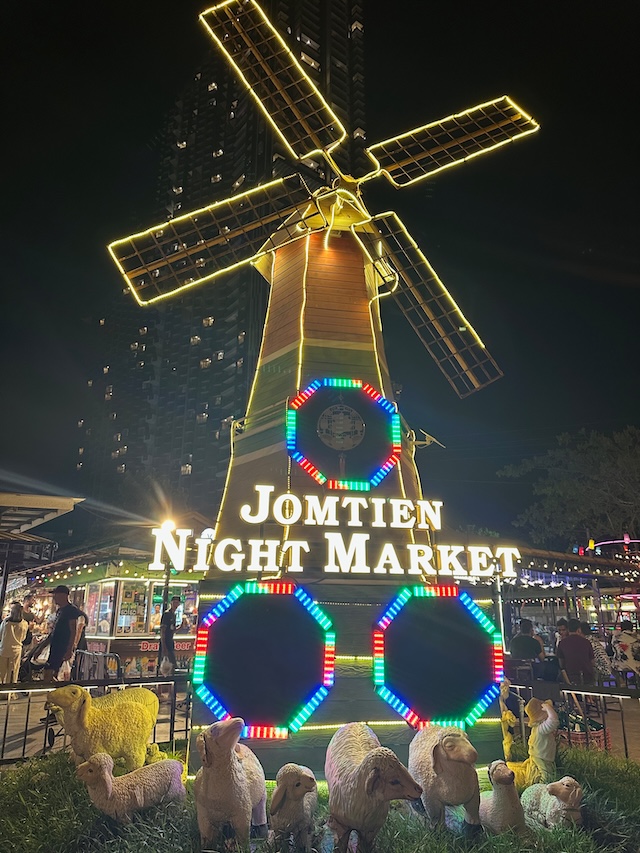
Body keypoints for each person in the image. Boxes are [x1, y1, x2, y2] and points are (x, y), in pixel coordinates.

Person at [43, 585, 83, 682]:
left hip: (62, 648)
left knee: (53, 673)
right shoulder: (60, 610)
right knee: (49, 672)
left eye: (55, 595)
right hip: (55, 647)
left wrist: (69, 649)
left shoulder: (71, 610)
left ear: (63, 595)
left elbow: (73, 630)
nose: (54, 598)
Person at [557, 618, 594, 684]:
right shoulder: (586, 642)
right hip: (587, 677)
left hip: (570, 678)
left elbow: (561, 664)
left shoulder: (562, 643)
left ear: (568, 630)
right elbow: (592, 661)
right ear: (579, 629)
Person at [0, 602, 28, 684]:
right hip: (16, 650)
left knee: (2, 671)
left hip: (4, 649)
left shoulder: (6, 623)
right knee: (13, 672)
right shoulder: (24, 624)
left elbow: (0, 635)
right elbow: (23, 638)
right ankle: (10, 693)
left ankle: (1, 690)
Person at [159, 596, 181, 674]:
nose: (176, 604)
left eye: (177, 603)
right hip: (166, 642)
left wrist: (180, 627)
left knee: (170, 664)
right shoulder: (166, 614)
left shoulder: (173, 615)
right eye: (174, 602)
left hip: (170, 641)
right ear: (171, 603)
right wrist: (164, 646)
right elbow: (162, 631)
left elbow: (172, 630)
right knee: (169, 663)